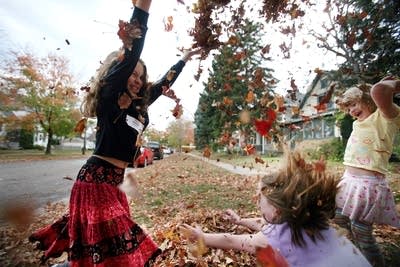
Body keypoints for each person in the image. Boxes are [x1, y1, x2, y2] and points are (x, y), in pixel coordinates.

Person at [28, 1, 201, 266]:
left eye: (141, 77)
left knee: (106, 255)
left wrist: (185, 59)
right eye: (132, 74)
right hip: (95, 183)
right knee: (116, 257)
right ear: (119, 74)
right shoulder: (110, 97)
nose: (137, 80)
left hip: (114, 183)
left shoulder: (137, 105)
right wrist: (143, 8)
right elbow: (131, 53)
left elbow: (164, 82)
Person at [181, 150, 371, 267]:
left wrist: (202, 237)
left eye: (259, 200)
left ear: (278, 211)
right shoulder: (312, 220)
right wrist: (240, 221)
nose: (256, 202)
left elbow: (231, 240)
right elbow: (262, 223)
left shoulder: (273, 239)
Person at [334, 77, 400, 266]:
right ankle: (355, 257)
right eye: (348, 109)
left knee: (360, 228)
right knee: (340, 219)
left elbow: (380, 93)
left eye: (354, 104)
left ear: (368, 101)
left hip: (368, 185)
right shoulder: (357, 123)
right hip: (349, 181)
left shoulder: (384, 117)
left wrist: (389, 87)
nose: (351, 111)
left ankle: (373, 262)